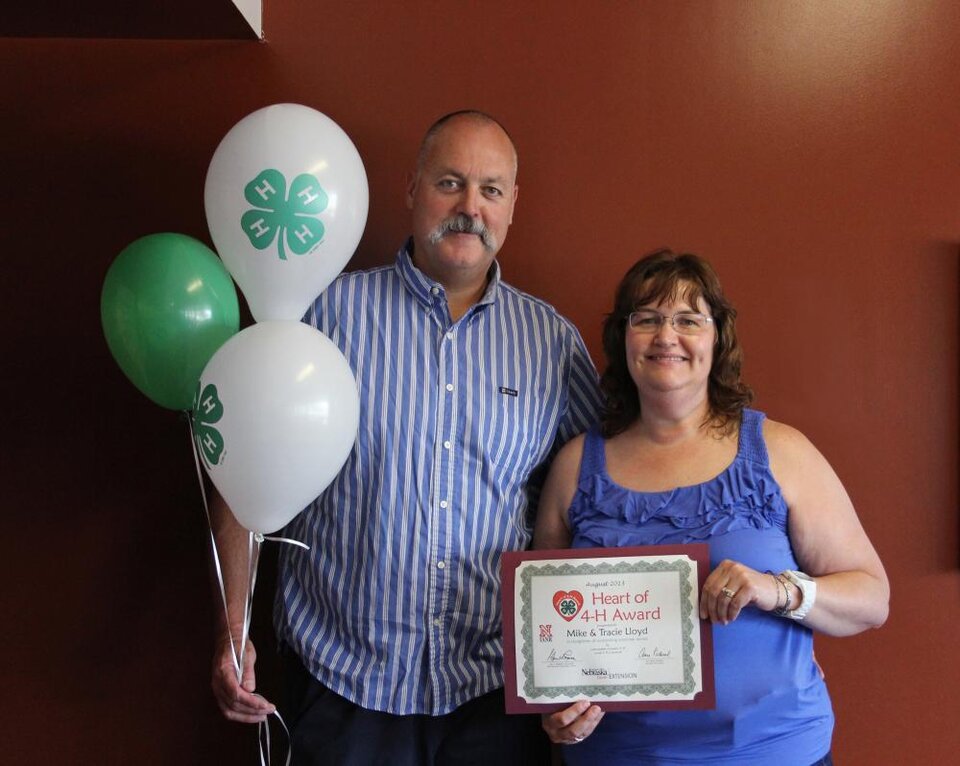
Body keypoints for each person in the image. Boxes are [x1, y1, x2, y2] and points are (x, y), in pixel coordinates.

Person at [210, 110, 602, 765]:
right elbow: (238, 461)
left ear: (511, 207)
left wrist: (592, 664)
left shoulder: (551, 343)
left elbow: (603, 497)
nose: (470, 207)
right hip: (342, 688)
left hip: (492, 697)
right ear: (412, 189)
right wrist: (231, 625)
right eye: (450, 182)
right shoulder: (322, 315)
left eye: (491, 189)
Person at [534, 250, 889, 765]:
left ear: (717, 337)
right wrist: (555, 715)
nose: (665, 336)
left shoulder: (780, 451)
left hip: (776, 751)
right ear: (622, 338)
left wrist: (776, 589)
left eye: (687, 320)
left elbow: (872, 598)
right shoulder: (574, 468)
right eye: (647, 319)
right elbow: (546, 638)